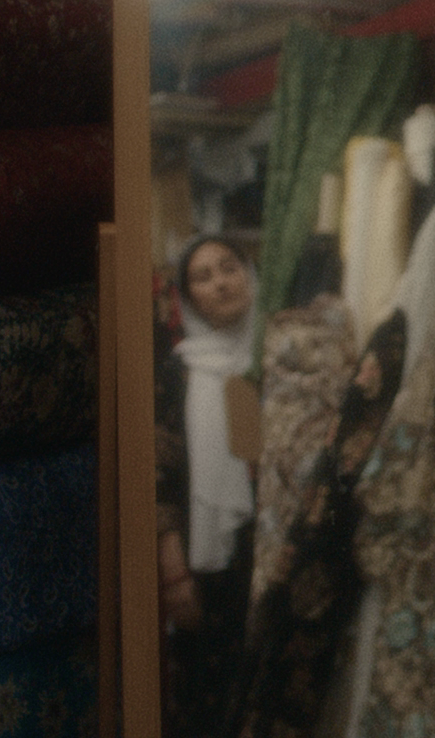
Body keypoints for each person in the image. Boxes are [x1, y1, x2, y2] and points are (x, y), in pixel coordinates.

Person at [154, 235, 260, 735]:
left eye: (228, 267)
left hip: (272, 548)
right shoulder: (177, 373)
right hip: (208, 564)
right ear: (188, 296)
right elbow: (159, 474)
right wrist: (173, 574)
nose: (220, 283)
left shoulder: (278, 353)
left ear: (248, 273)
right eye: (203, 276)